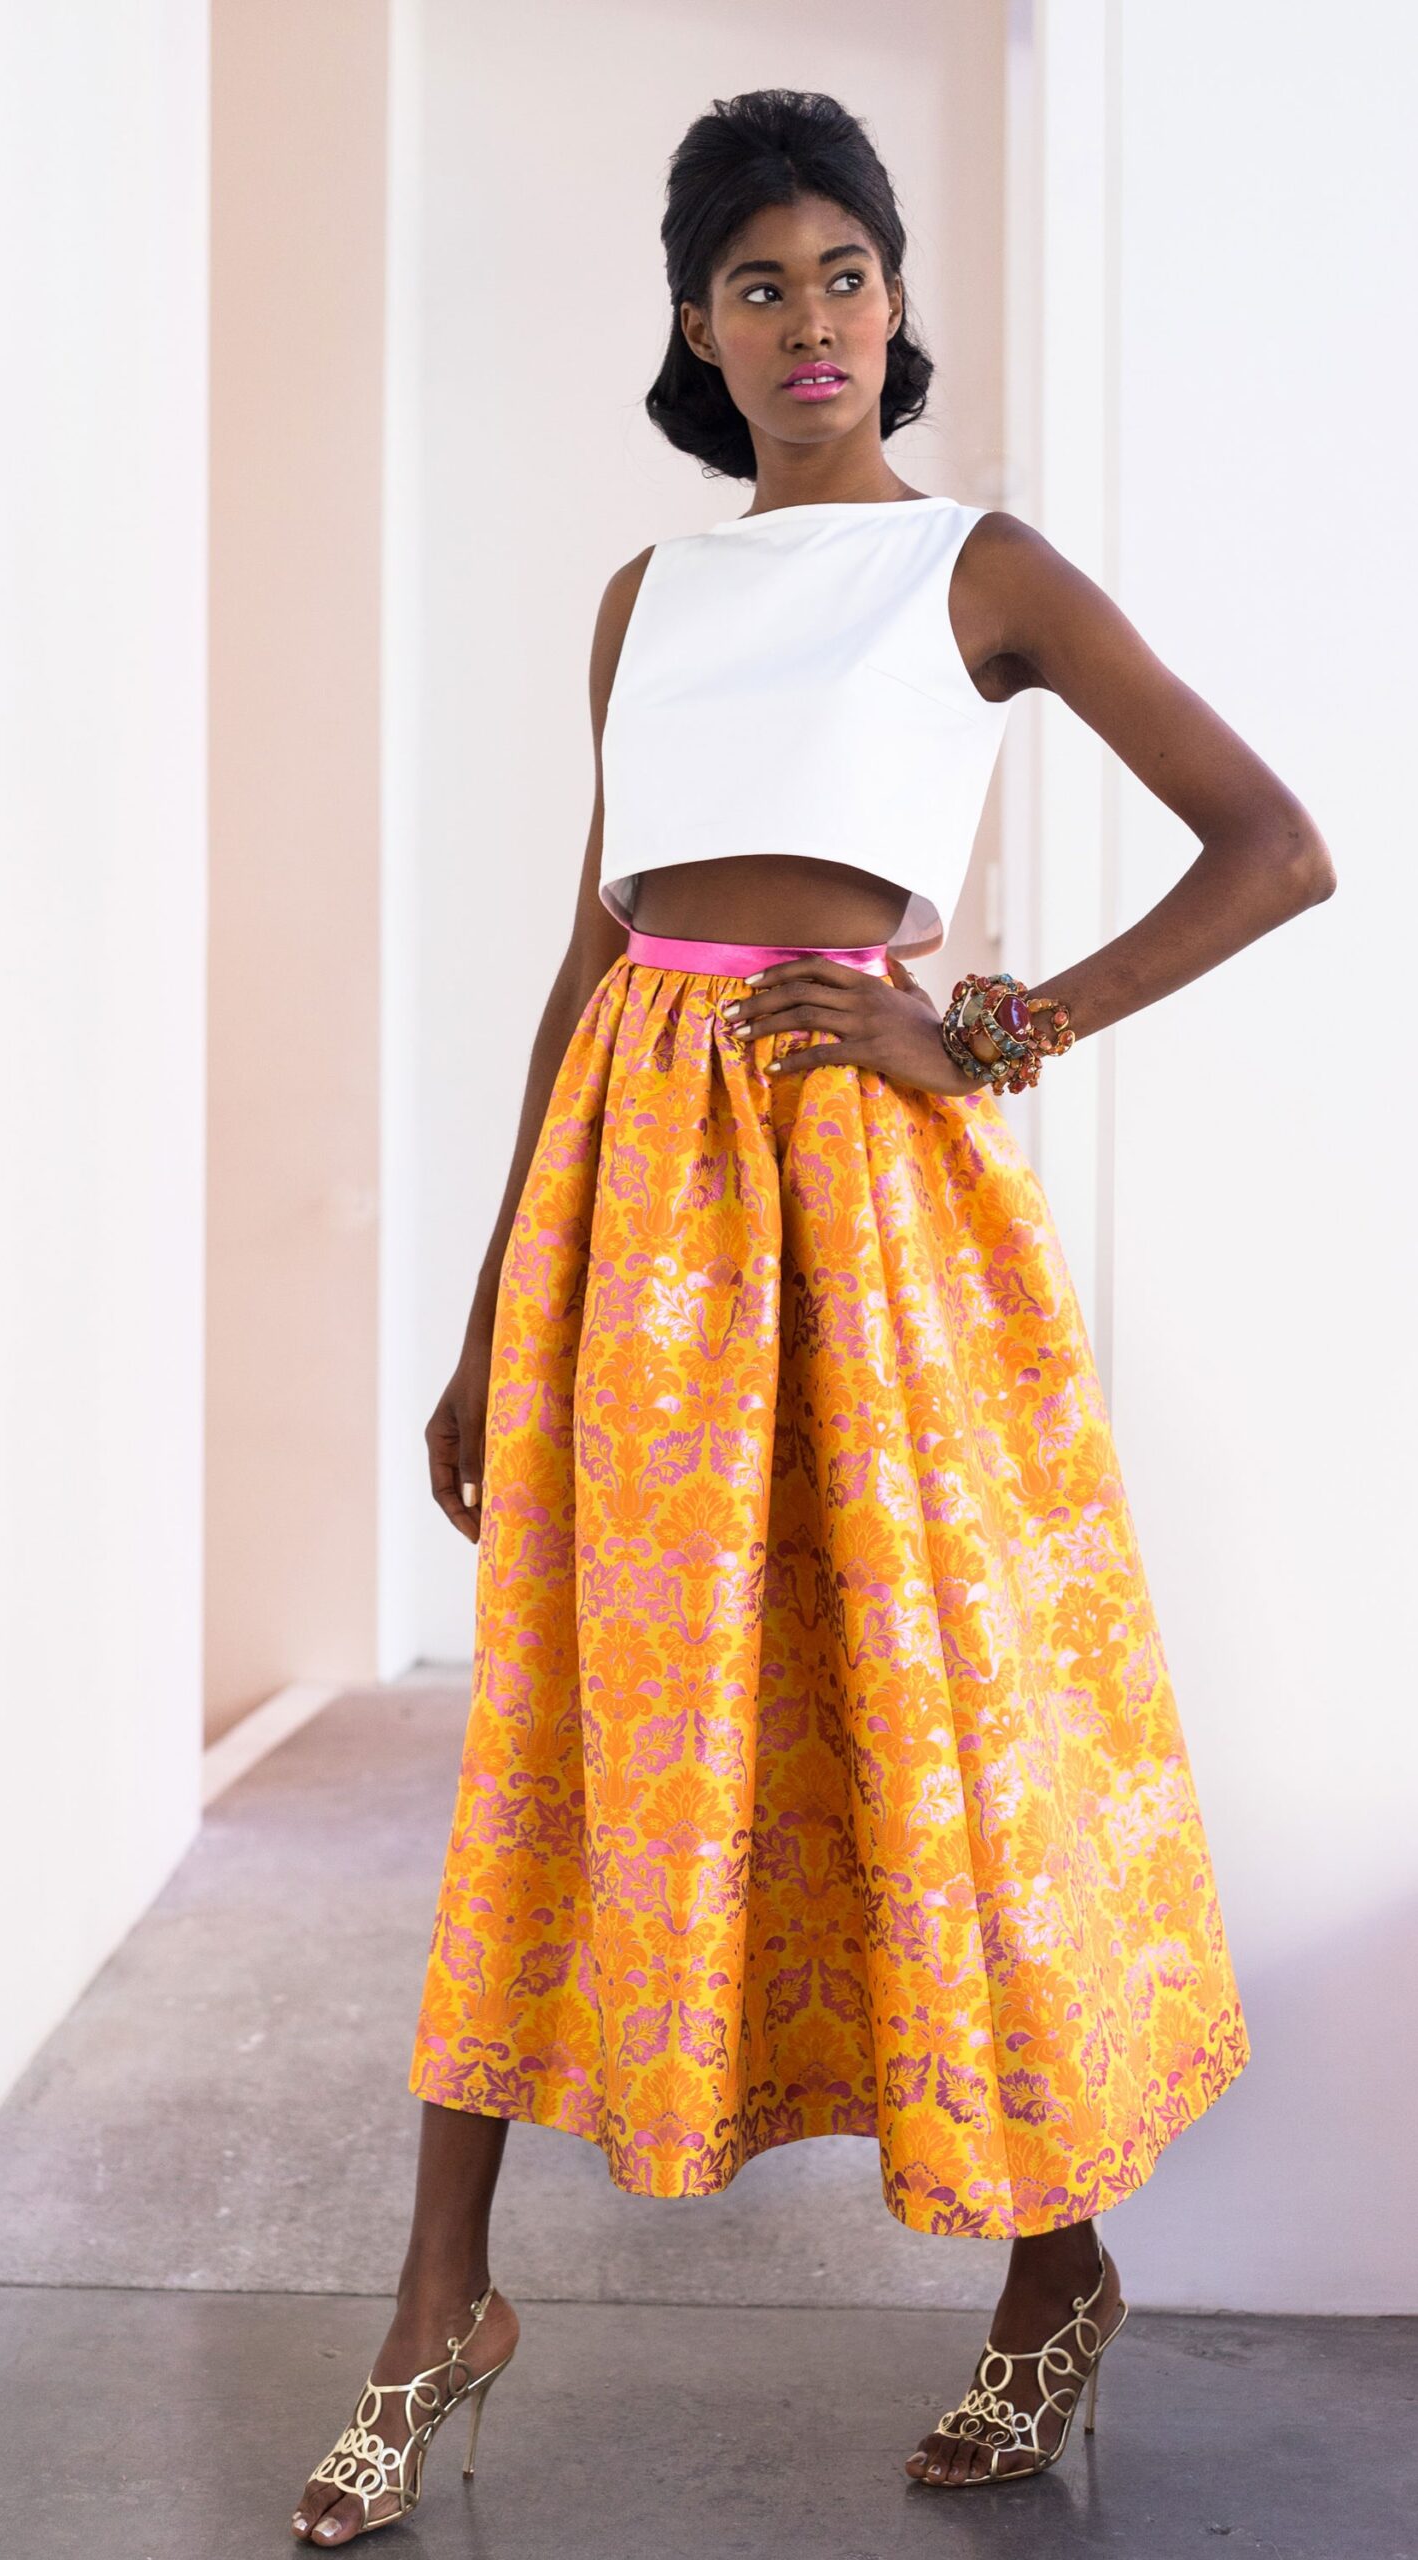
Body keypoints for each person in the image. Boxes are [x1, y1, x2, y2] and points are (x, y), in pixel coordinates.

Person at [292, 87, 1333, 2541]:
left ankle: (1048, 2264)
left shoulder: (980, 570)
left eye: (840, 272)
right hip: (627, 1201)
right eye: (752, 284)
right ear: (693, 329)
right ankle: (436, 2294)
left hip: (866, 1195)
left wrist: (985, 1029)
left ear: (893, 297)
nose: (807, 322)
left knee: (916, 1730)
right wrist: (477, 1314)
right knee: (563, 1722)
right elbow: (588, 944)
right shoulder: (645, 595)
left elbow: (1270, 846)